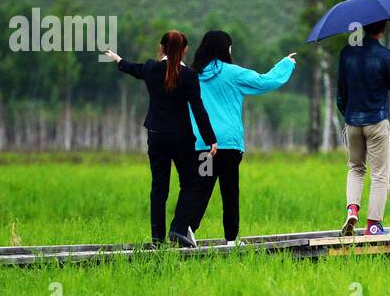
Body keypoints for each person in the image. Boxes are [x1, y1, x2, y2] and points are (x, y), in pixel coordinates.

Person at [103, 31, 217, 248]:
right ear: (184, 50)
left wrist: (118, 59)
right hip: (181, 138)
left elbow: (133, 68)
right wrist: (210, 138)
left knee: (159, 187)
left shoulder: (150, 68)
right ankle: (178, 229)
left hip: (155, 136)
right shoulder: (189, 76)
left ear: (161, 47)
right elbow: (198, 109)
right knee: (192, 183)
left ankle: (157, 239)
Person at [186, 30, 297, 243]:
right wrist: (285, 64)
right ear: (224, 48)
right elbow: (265, 82)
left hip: (203, 145)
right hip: (228, 146)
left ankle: (188, 228)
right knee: (229, 191)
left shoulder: (193, 75)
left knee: (201, 188)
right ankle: (231, 239)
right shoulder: (233, 73)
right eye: (229, 46)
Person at [337, 18, 390, 236]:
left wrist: (349, 116)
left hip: (352, 122)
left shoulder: (346, 53)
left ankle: (352, 209)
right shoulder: (386, 56)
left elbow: (341, 95)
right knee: (379, 176)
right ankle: (373, 226)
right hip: (377, 122)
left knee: (355, 169)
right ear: (383, 29)